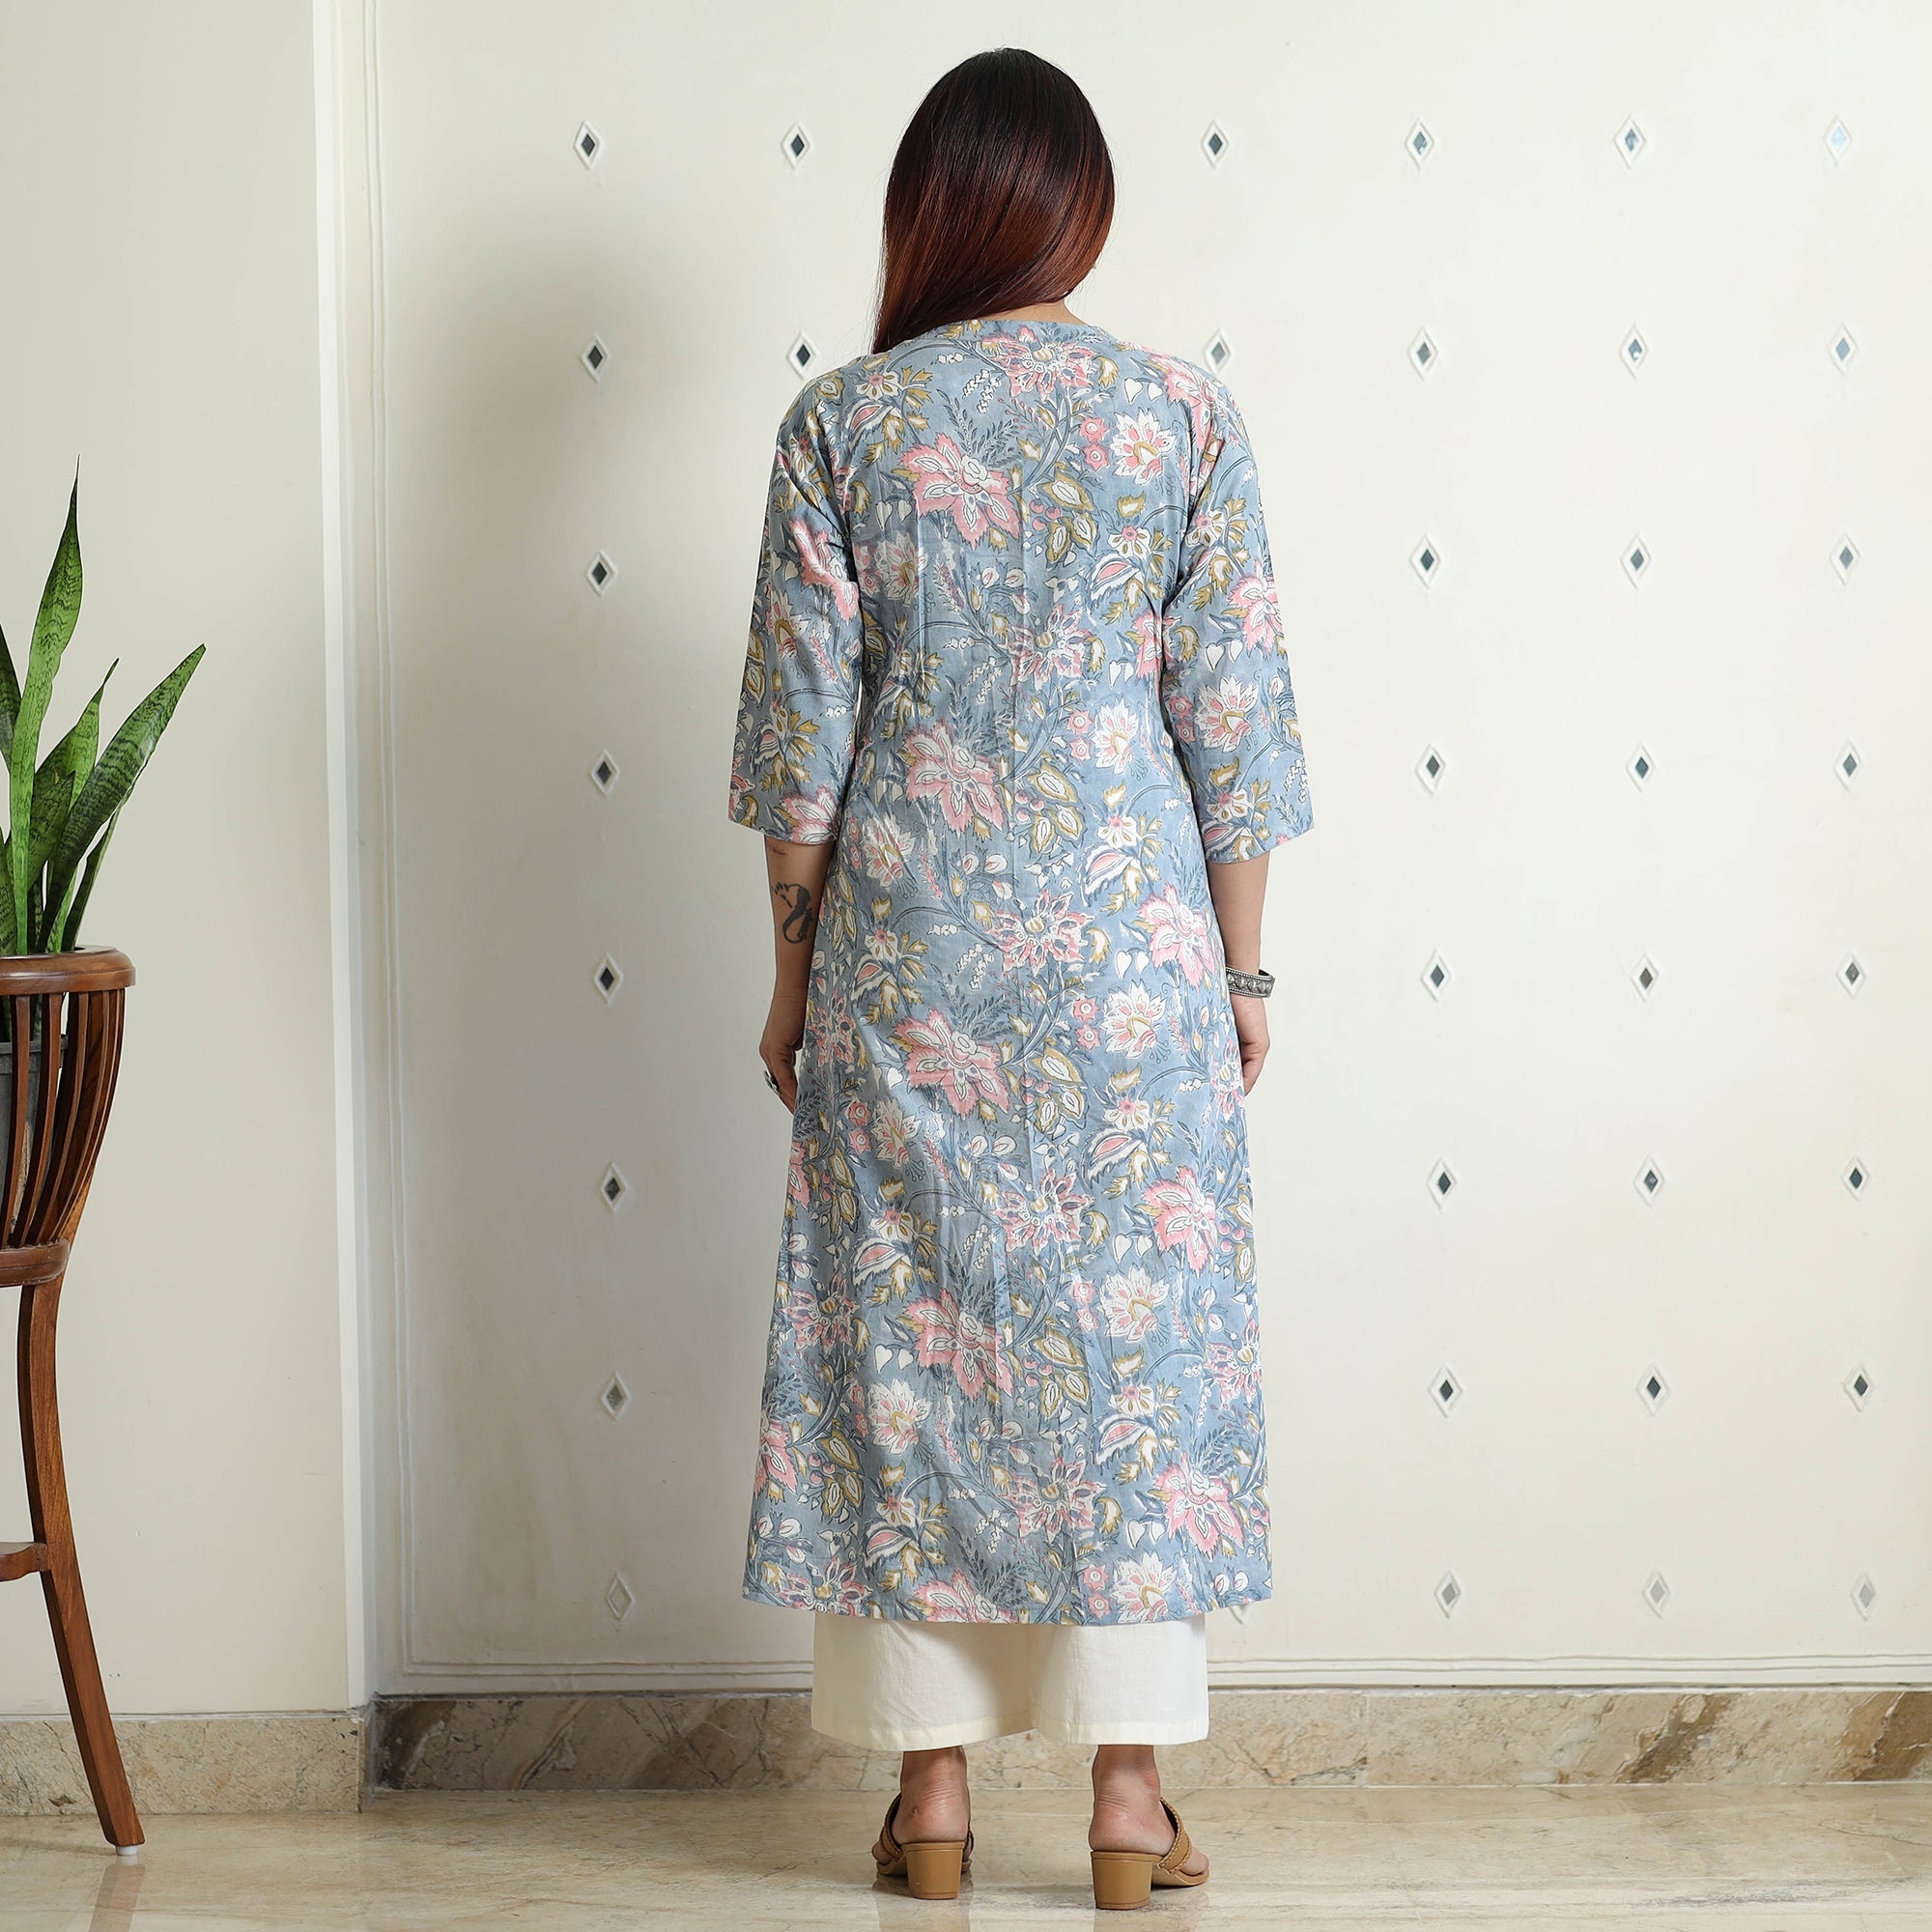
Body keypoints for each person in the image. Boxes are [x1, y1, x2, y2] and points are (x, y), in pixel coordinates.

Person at [724, 44, 1312, 1911]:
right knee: (1133, 1357)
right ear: (1081, 212)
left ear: (931, 210)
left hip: (910, 964)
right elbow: (1236, 729)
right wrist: (1243, 978)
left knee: (910, 1354)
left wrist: (792, 983)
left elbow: (800, 757)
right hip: (1132, 968)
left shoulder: (845, 423)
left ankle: (933, 1803)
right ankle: (1129, 1808)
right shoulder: (1179, 417)